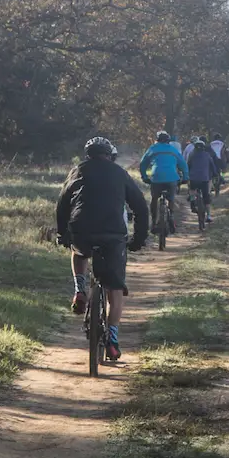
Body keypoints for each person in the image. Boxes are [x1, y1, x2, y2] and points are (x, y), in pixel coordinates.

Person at [57, 137, 148, 362]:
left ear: (88, 154)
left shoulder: (78, 171)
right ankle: (113, 340)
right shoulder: (119, 173)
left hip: (82, 231)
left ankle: (80, 289)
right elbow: (140, 207)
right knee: (114, 289)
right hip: (113, 235)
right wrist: (138, 238)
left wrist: (63, 233)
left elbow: (62, 203)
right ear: (109, 155)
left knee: (78, 252)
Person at [138, 129, 188, 228]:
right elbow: (183, 164)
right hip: (172, 178)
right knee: (171, 198)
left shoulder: (152, 148)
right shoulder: (173, 149)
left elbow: (143, 163)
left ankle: (153, 222)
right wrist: (186, 177)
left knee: (154, 199)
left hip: (156, 178)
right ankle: (171, 216)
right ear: (168, 140)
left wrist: (144, 176)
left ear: (157, 140)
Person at [185, 135, 220, 224]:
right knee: (206, 198)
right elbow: (212, 166)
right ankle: (208, 215)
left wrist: (187, 175)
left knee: (192, 189)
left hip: (193, 178)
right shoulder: (207, 155)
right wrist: (215, 174)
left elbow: (188, 165)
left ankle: (192, 201)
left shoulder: (191, 154)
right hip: (204, 179)